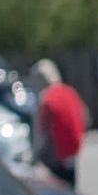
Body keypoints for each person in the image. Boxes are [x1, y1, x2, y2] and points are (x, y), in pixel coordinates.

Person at [30, 58, 90, 186]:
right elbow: (86, 118)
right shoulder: (70, 92)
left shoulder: (45, 99)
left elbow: (41, 134)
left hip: (54, 158)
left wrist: (35, 158)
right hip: (71, 152)